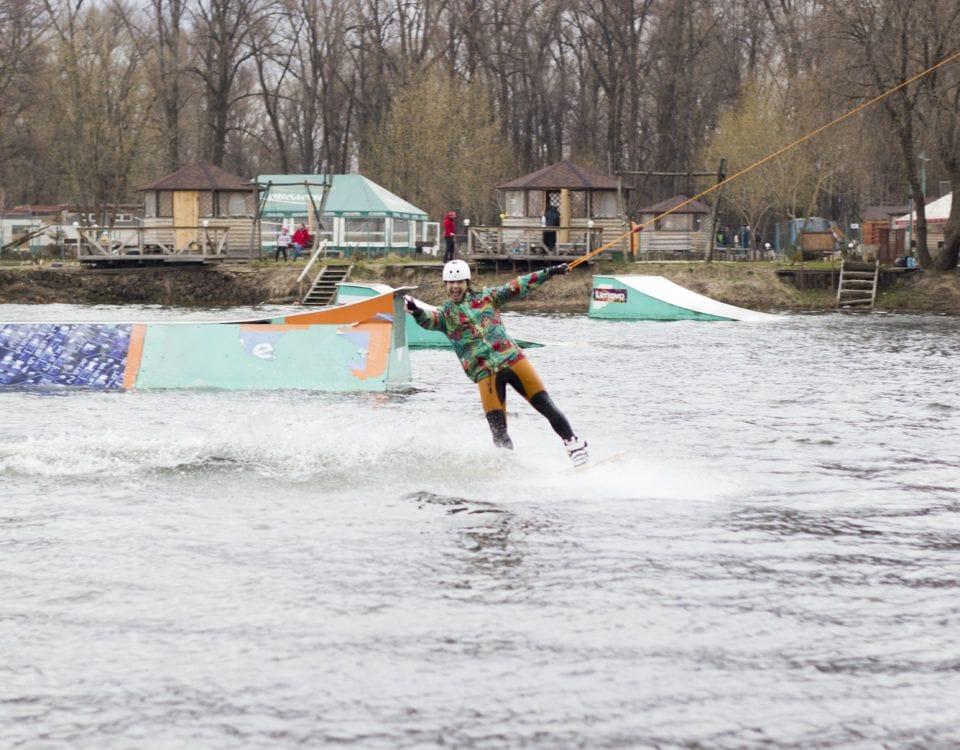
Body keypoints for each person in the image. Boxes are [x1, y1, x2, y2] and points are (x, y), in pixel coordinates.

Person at [406, 259, 588, 466]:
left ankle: (574, 444)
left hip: (512, 361)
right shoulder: (446, 314)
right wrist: (416, 311)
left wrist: (551, 271)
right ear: (445, 284)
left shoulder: (488, 297)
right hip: (485, 374)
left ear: (467, 282)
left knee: (544, 404)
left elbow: (518, 285)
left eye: (459, 282)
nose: (454, 287)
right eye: (450, 282)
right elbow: (429, 319)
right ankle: (509, 466)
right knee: (498, 430)